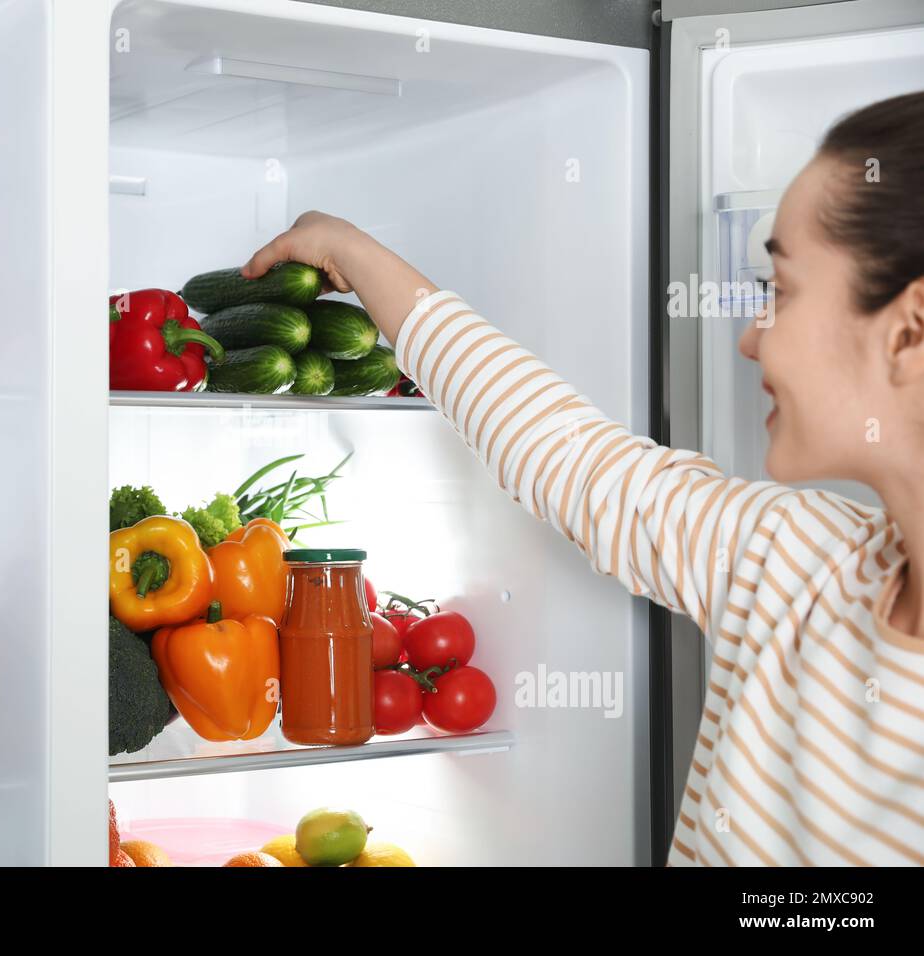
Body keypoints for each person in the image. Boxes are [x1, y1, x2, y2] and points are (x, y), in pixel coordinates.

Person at [241, 91, 924, 866]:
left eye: (782, 292)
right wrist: (350, 253)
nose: (750, 340)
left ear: (909, 331)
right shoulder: (791, 560)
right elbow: (568, 455)